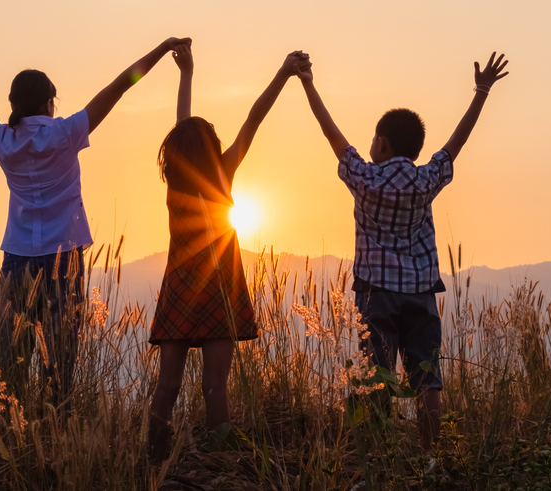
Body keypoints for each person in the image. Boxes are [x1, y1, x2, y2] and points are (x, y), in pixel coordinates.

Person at [0, 29, 192, 409]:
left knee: (11, 362)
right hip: (63, 261)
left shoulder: (4, 142)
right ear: (50, 102)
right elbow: (119, 87)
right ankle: (56, 434)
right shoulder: (66, 133)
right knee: (60, 363)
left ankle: (11, 439)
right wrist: (163, 49)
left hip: (17, 260)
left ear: (14, 103)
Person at [296, 52, 509, 453]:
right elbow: (455, 144)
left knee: (375, 377)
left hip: (376, 294)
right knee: (428, 379)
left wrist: (307, 83)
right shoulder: (426, 178)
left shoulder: (365, 177)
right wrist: (481, 93)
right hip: (422, 292)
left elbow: (332, 135)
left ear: (382, 142)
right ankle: (429, 457)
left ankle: (376, 457)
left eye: (374, 138)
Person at [146, 42, 311, 461]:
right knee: (215, 385)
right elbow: (254, 117)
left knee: (167, 386)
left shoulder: (175, 184)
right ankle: (221, 462)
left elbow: (183, 127)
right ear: (211, 146)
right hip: (219, 288)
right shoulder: (223, 172)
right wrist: (284, 72)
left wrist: (186, 75)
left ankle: (153, 458)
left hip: (181, 288)